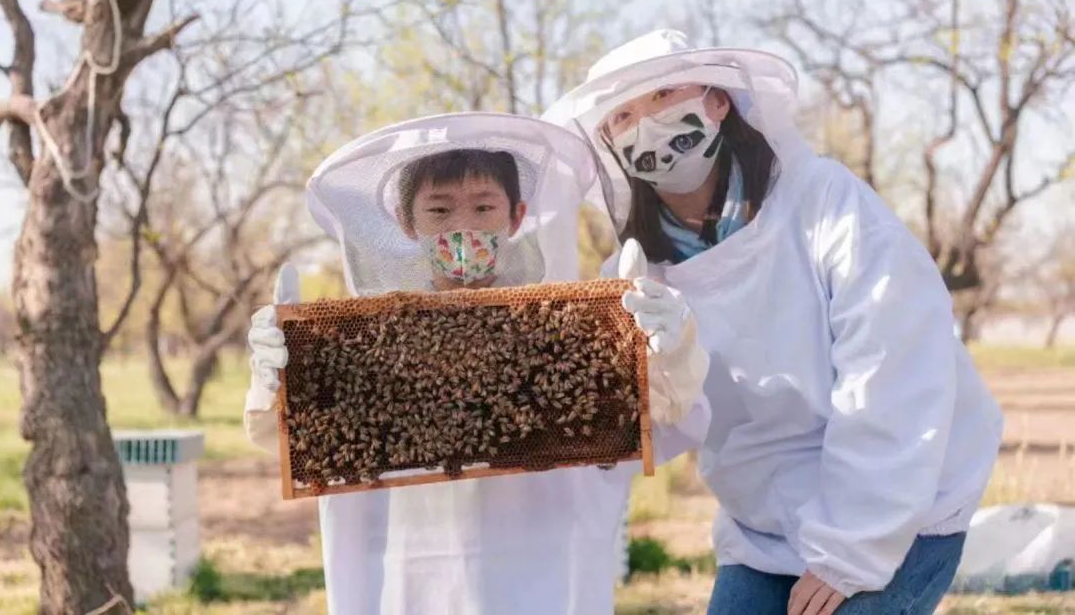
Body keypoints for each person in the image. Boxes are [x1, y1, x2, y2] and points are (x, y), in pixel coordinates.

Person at [544, 30, 1004, 615]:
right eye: (623, 115)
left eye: (662, 95)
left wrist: (852, 550)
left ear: (718, 101)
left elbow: (895, 371)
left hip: (903, 501)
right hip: (764, 525)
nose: (645, 123)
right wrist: (663, 374)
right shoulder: (635, 278)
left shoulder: (826, 204)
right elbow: (637, 436)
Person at [242, 112, 710, 614]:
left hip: (546, 581)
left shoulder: (577, 333)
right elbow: (286, 440)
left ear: (515, 215)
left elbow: (673, 419)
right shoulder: (358, 345)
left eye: (484, 207)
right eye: (439, 211)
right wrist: (280, 379)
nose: (463, 227)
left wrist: (672, 348)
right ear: (408, 223)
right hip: (406, 586)